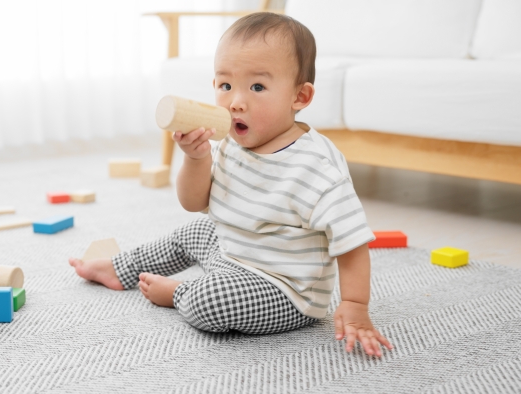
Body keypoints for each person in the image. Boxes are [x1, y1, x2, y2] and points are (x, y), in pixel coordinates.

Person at [69, 12, 393, 357]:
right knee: (194, 230)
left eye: (257, 87)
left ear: (299, 97)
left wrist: (355, 304)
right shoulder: (229, 144)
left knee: (212, 302)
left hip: (282, 289)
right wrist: (196, 159)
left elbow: (352, 241)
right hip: (231, 253)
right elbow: (194, 202)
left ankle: (180, 293)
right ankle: (121, 269)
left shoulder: (316, 168)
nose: (235, 101)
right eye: (225, 85)